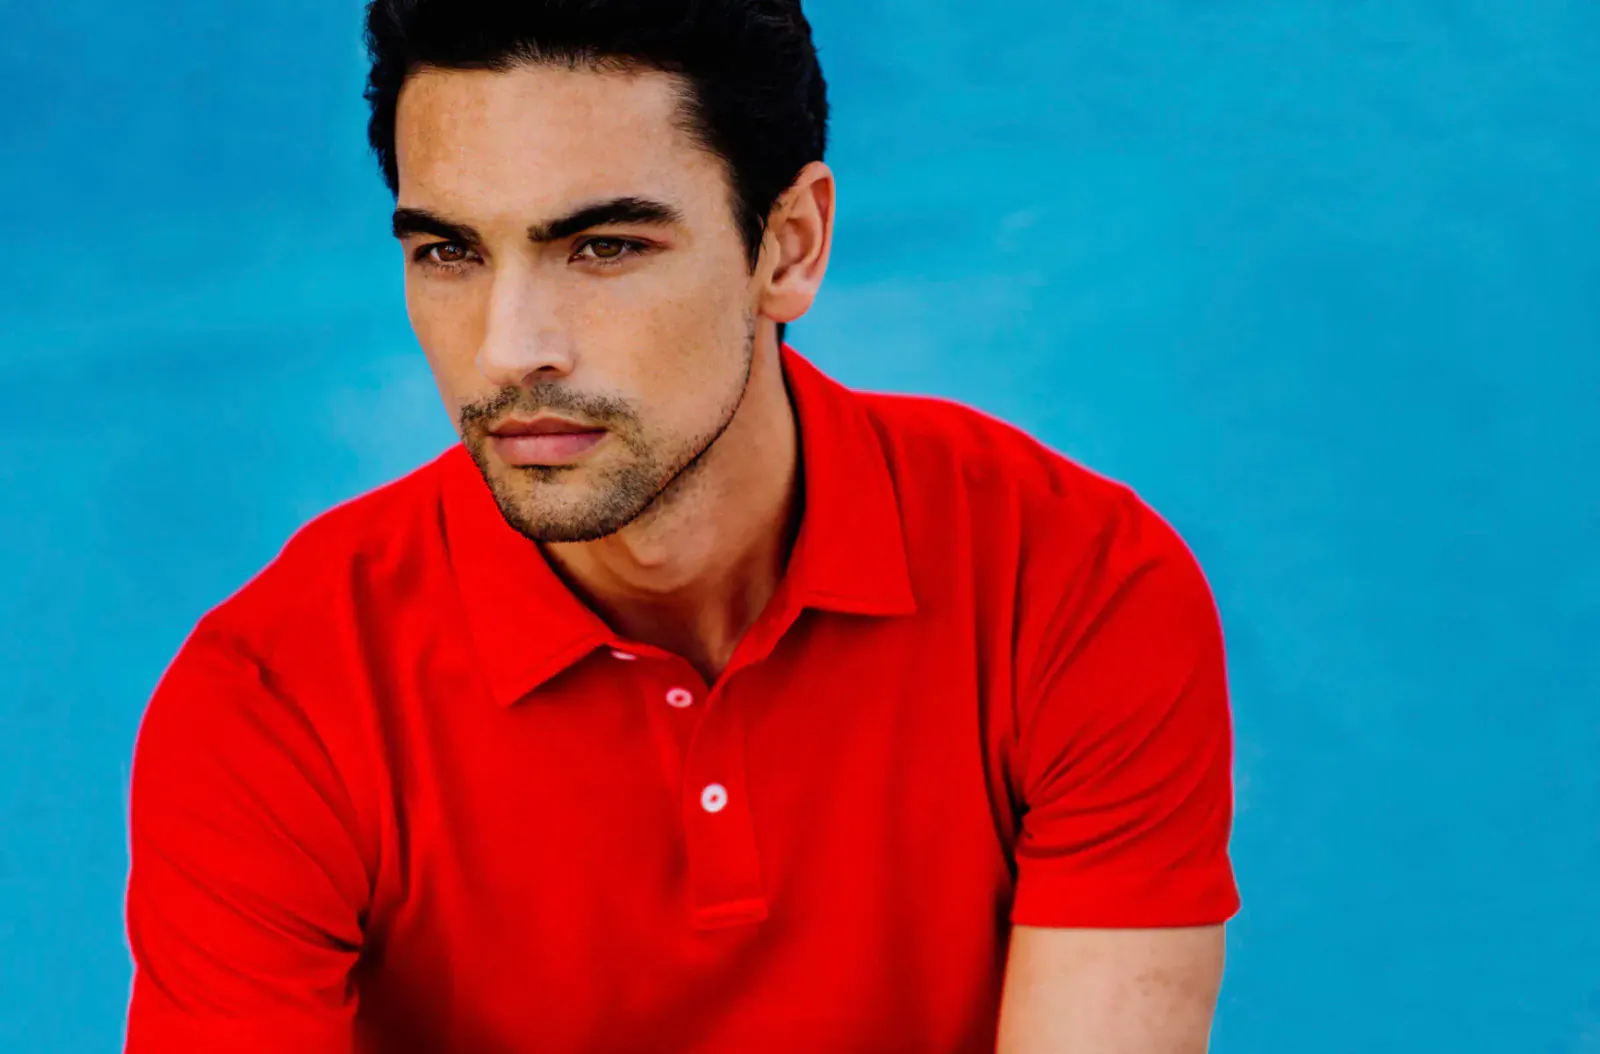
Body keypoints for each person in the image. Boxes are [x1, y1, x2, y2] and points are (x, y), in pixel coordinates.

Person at [123, 2, 1242, 1051]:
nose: (511, 349)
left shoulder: (1075, 581)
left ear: (789, 245)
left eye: (604, 246)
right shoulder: (274, 700)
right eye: (450, 252)